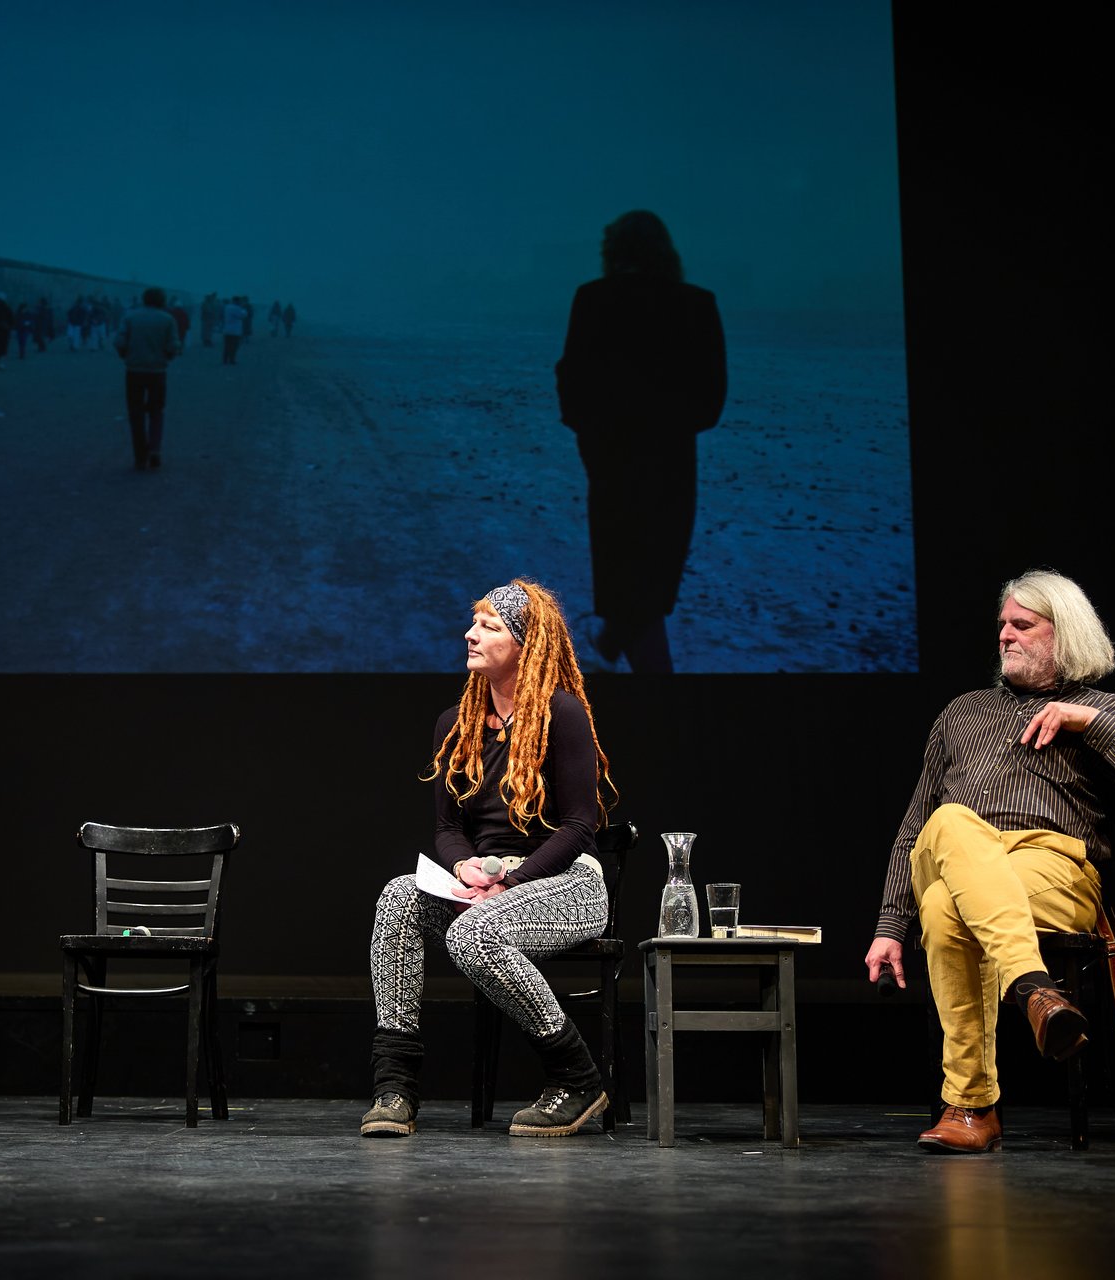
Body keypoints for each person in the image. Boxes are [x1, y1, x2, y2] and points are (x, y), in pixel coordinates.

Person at [861, 569, 1115, 1154]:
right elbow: (914, 825)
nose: (1004, 636)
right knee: (947, 822)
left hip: (1052, 868)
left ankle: (970, 1109)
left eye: (1022, 625)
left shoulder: (1102, 709)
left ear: (1063, 635)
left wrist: (1090, 724)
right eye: (1002, 625)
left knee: (946, 909)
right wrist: (890, 925)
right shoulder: (961, 712)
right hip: (950, 854)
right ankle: (1036, 991)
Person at [363, 579, 619, 1140]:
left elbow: (580, 824)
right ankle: (395, 1086)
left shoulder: (562, 714)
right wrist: (464, 869)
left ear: (524, 645)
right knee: (397, 898)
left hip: (567, 884)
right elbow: (448, 828)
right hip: (487, 890)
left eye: (489, 626)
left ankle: (576, 1077)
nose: (470, 634)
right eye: (474, 622)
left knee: (474, 935)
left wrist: (513, 878)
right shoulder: (455, 724)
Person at [555, 210, 727, 674]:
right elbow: (710, 401)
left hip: (610, 471)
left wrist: (597, 439)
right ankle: (615, 644)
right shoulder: (697, 304)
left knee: (628, 593)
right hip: (671, 474)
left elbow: (572, 387)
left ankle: (615, 645)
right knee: (647, 594)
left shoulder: (592, 300)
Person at [114, 285, 182, 470]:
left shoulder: (130, 317)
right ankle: (155, 450)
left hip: (134, 371)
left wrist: (126, 356)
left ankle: (140, 456)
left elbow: (119, 341)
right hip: (157, 372)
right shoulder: (167, 319)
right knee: (156, 412)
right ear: (161, 300)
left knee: (135, 413)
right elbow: (173, 345)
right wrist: (166, 357)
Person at [220, 296, 248, 365]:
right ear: (237, 301)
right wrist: (244, 309)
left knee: (227, 346)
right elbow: (242, 315)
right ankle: (232, 360)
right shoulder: (237, 308)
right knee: (234, 346)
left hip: (227, 330)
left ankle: (225, 360)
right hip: (235, 331)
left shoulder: (227, 307)